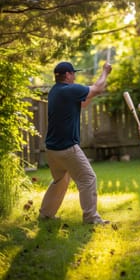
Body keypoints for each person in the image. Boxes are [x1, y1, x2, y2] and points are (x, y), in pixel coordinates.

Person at [39, 61, 112, 224]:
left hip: (52, 149)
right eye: (73, 73)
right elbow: (98, 88)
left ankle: (45, 214)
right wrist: (105, 72)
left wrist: (93, 93)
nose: (75, 76)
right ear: (67, 75)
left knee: (60, 181)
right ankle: (91, 218)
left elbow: (84, 102)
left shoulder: (55, 91)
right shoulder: (70, 89)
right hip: (66, 147)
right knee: (88, 178)